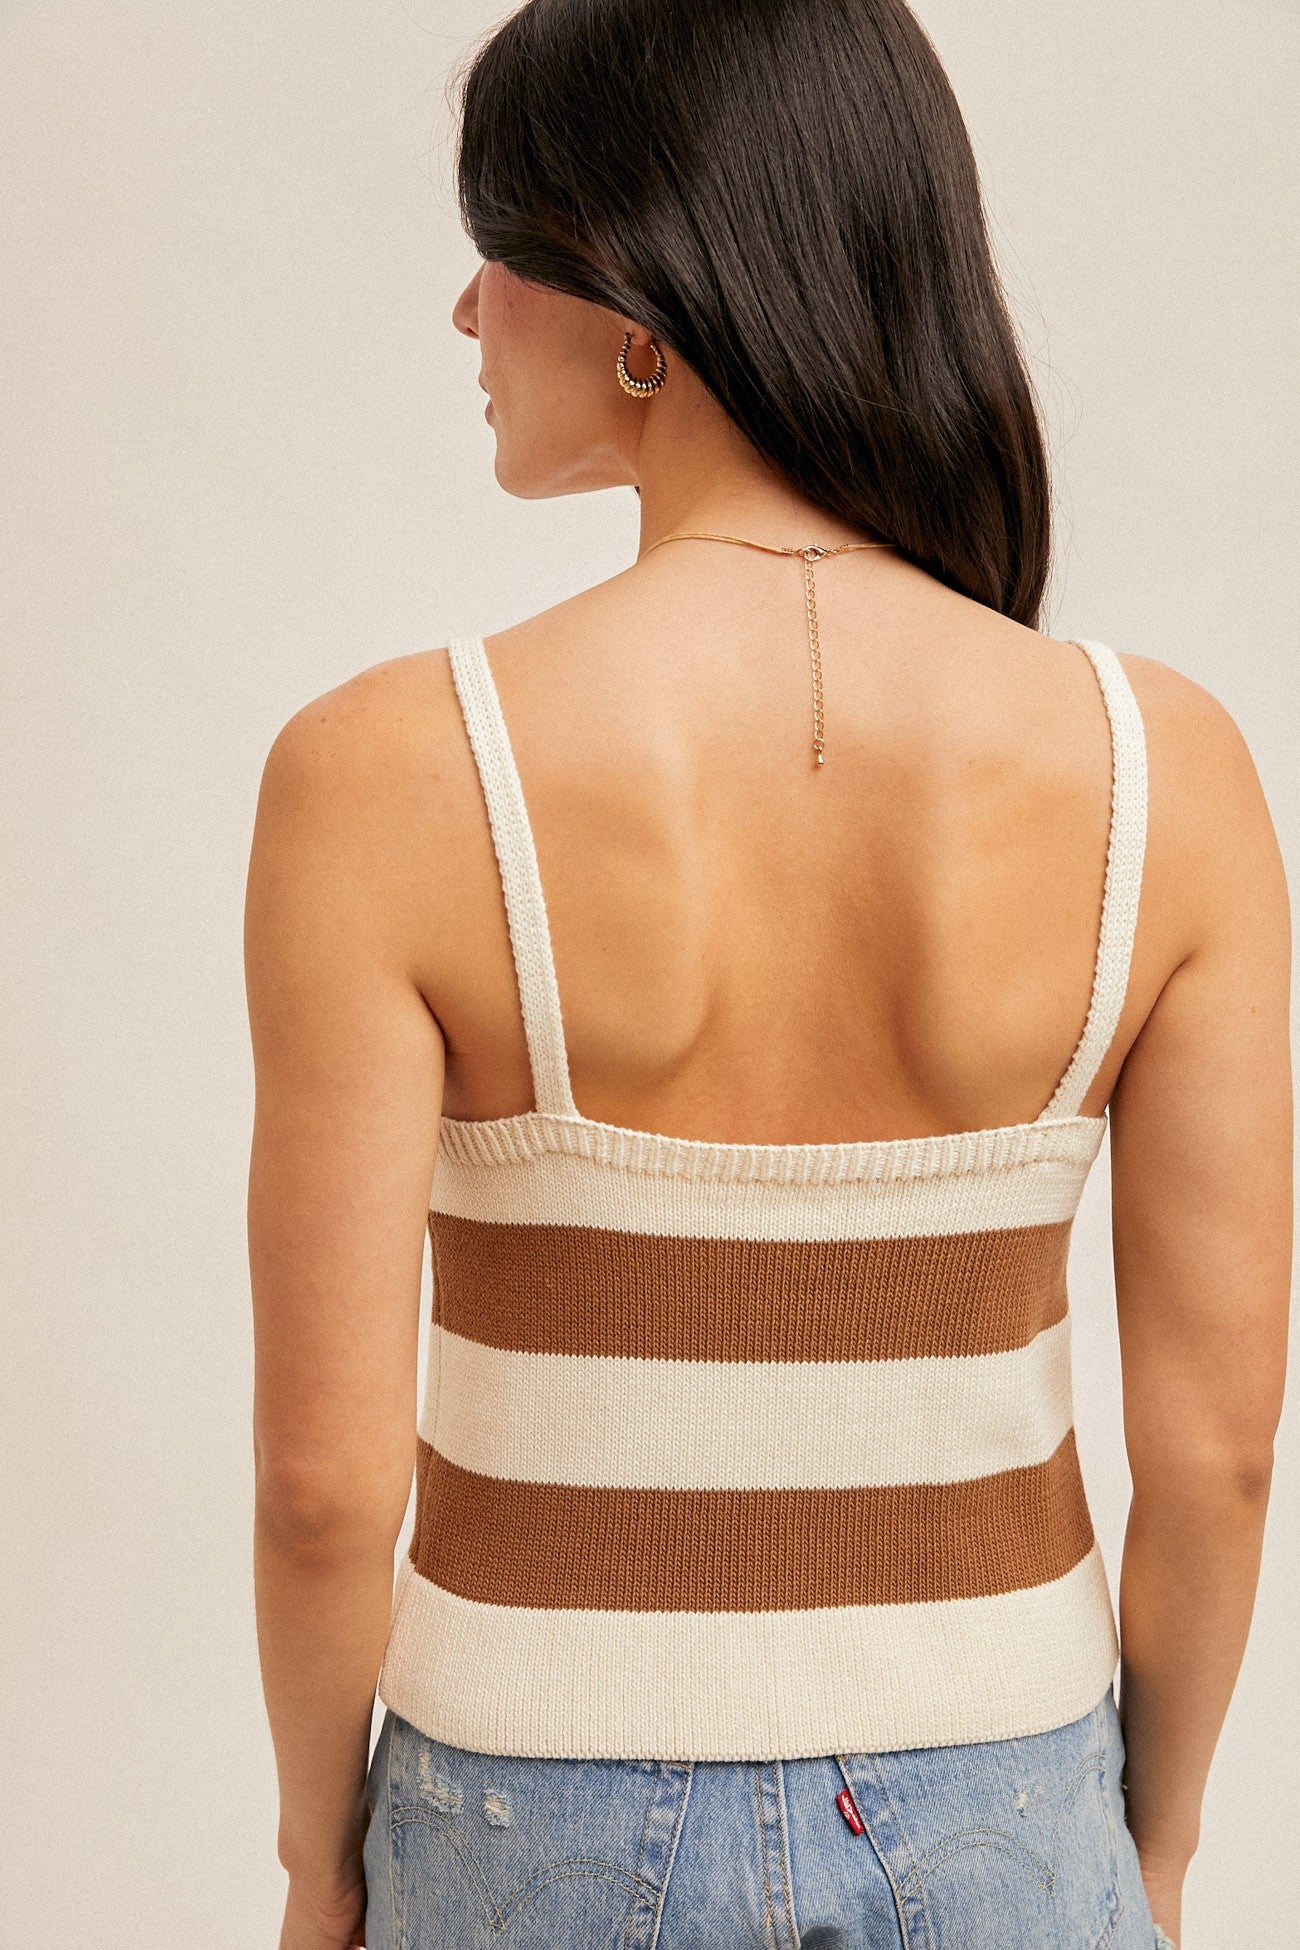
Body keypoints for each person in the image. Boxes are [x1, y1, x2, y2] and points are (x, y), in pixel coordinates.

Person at [243, 2, 1292, 1946]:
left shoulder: (385, 776)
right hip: (1004, 1797)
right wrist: (1149, 1845)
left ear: (642, 305)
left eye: (501, 248)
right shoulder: (1169, 774)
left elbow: (321, 1487)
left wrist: (321, 1862)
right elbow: (1219, 1456)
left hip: (523, 1809)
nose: (466, 311)